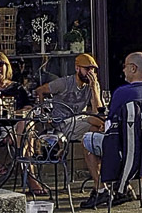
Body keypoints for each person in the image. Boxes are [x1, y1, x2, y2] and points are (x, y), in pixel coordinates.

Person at [82, 52, 142, 211]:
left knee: (87, 141)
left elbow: (109, 126)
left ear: (133, 68)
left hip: (124, 152)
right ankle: (125, 188)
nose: (123, 70)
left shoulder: (122, 93)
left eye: (125, 66)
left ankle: (102, 189)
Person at [39, 53, 108, 199]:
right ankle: (101, 184)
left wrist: (95, 90)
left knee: (93, 134)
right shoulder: (64, 83)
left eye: (93, 70)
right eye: (87, 69)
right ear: (77, 68)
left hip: (78, 122)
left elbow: (98, 112)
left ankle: (99, 185)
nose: (91, 73)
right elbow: (40, 90)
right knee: (100, 125)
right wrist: (44, 112)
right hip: (62, 123)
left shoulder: (92, 86)